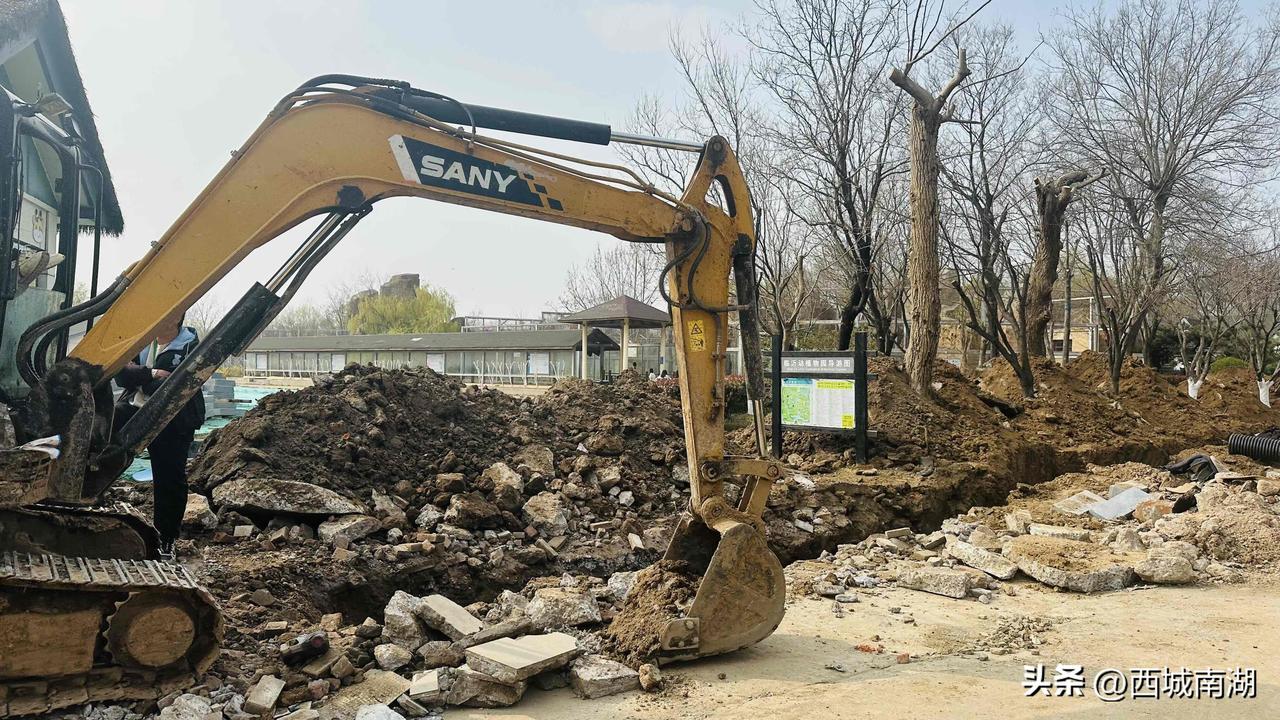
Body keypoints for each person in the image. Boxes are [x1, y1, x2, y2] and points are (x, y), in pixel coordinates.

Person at [114, 314, 205, 558]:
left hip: (175, 417)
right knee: (104, 434)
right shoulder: (143, 342)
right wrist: (153, 373)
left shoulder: (189, 346)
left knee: (169, 476)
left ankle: (166, 538)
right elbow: (121, 375)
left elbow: (173, 385)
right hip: (136, 409)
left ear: (175, 318)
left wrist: (141, 374)